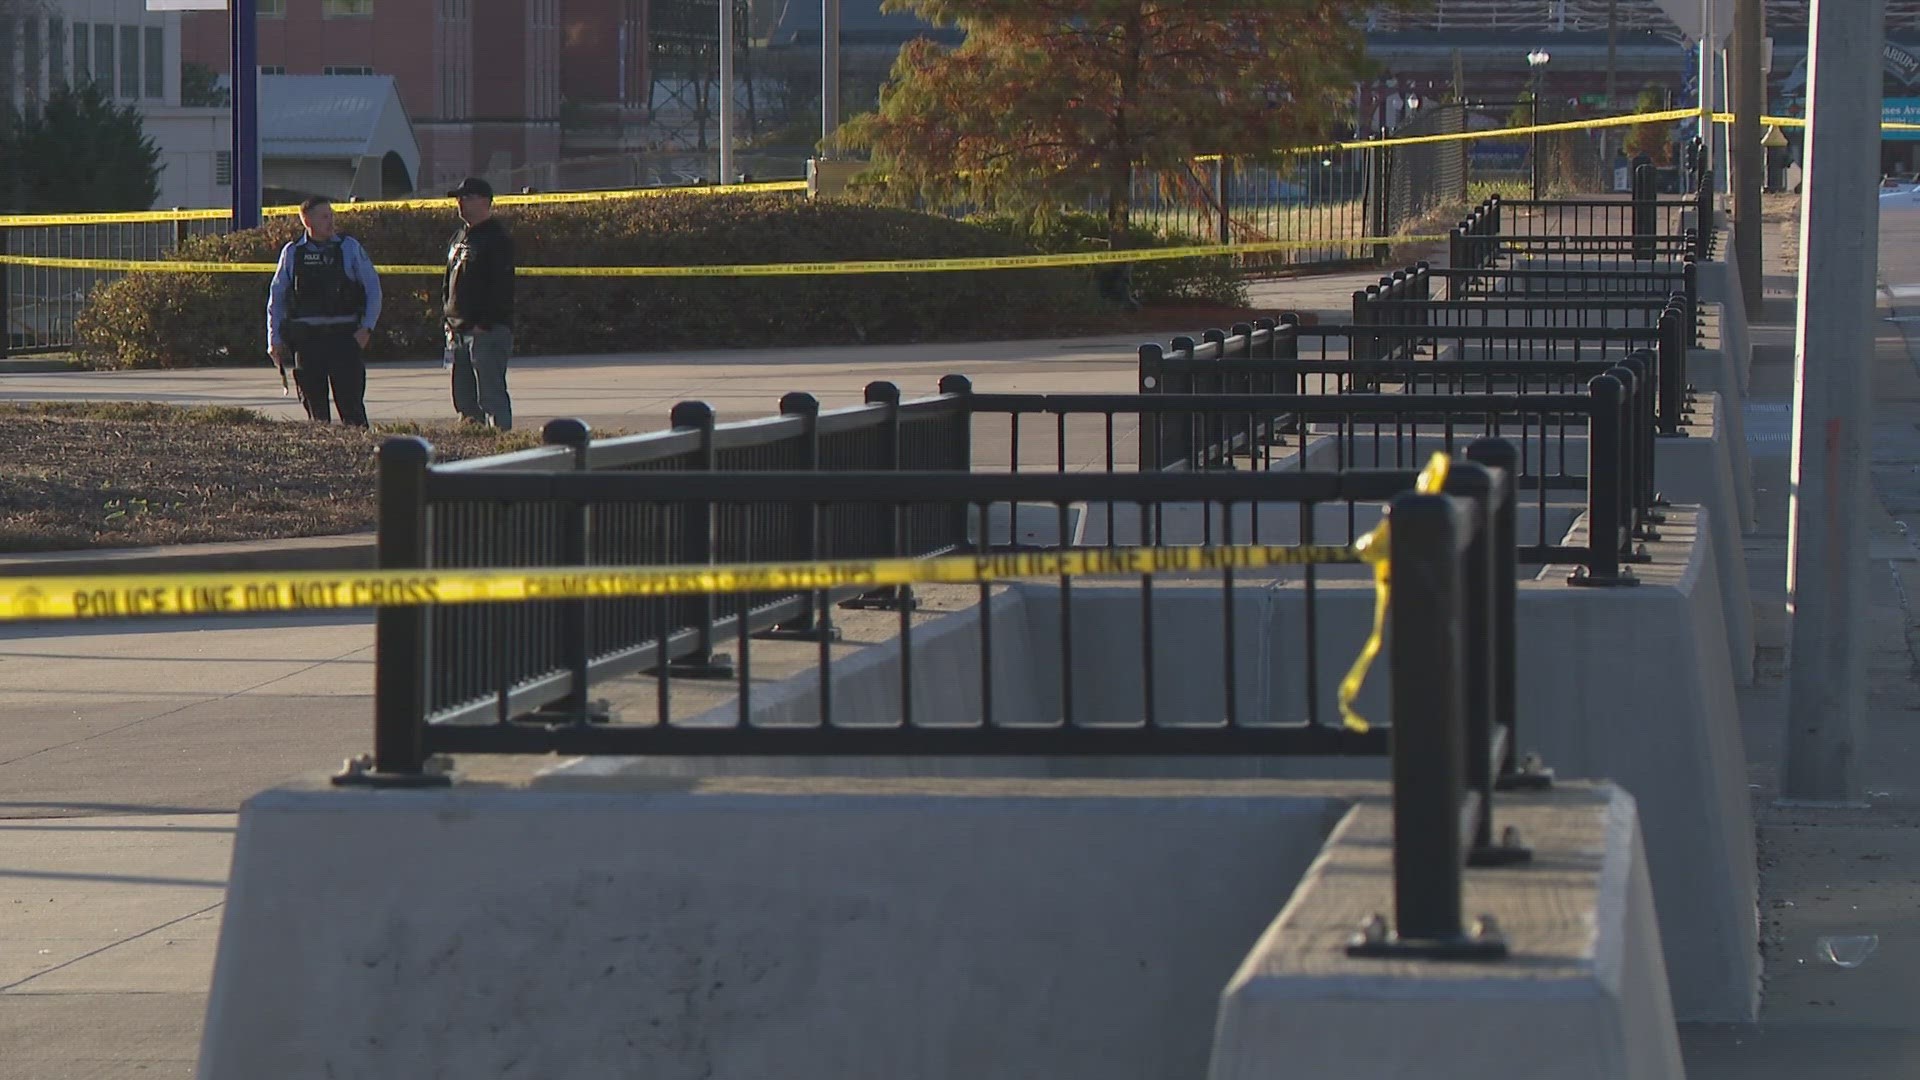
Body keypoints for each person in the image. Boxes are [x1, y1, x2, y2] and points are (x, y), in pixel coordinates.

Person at [266, 196, 382, 426]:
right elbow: (277, 299)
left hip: (344, 339)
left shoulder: (348, 248)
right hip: (308, 342)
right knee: (316, 415)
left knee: (352, 411)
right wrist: (274, 339)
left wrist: (367, 328)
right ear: (307, 221)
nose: (331, 222)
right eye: (324, 217)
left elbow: (373, 290)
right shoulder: (292, 253)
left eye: (331, 215)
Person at [443, 176, 516, 430]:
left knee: (491, 396)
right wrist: (448, 318)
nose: (460, 203)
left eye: (467, 198)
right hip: (458, 331)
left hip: (486, 332)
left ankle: (502, 446)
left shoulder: (496, 239)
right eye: (458, 198)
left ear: (485, 201)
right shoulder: (460, 236)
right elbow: (449, 280)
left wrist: (484, 324)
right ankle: (473, 447)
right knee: (464, 399)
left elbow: (502, 287)